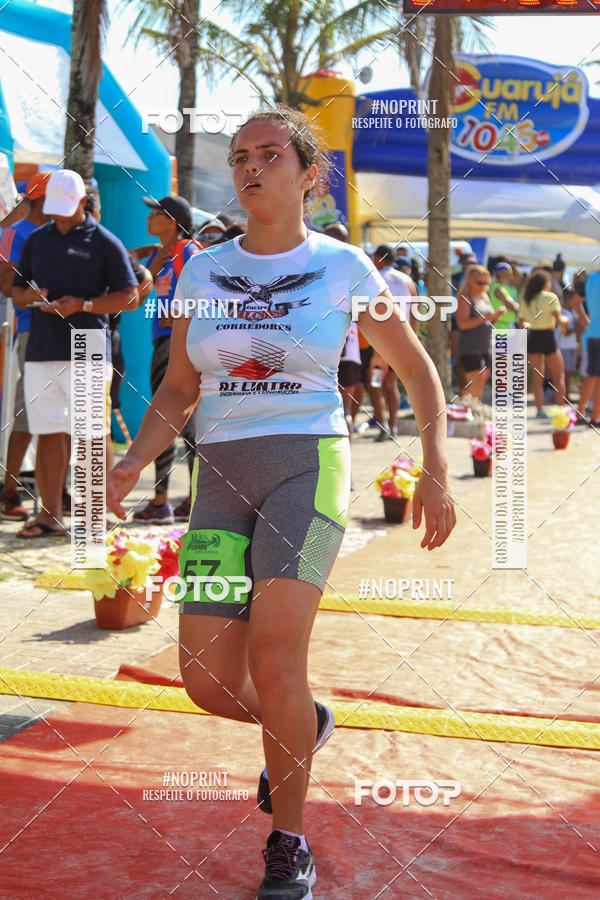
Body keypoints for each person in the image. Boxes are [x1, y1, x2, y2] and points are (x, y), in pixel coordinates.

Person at [107, 106, 456, 900]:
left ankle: (287, 840)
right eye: (239, 157)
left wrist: (434, 464)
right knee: (204, 680)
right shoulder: (198, 269)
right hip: (220, 480)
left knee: (275, 653)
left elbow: (417, 370)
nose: (250, 167)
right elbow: (180, 388)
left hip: (309, 466)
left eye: (269, 154)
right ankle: (306, 725)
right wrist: (132, 461)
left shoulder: (343, 266)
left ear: (308, 173)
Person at [11, 169, 137, 538]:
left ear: (84, 202)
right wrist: (30, 297)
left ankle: (95, 517)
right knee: (48, 431)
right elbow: (16, 292)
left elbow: (129, 297)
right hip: (41, 346)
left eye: (67, 209)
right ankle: (50, 517)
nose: (60, 217)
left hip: (87, 346)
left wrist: (83, 304)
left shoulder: (104, 241)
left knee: (89, 433)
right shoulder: (36, 239)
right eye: (54, 209)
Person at [132, 194, 200, 523]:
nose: (147, 218)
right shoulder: (165, 254)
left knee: (176, 421)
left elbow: (207, 290)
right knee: (173, 420)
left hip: (180, 344)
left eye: (154, 213)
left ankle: (168, 501)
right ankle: (181, 498)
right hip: (163, 342)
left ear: (171, 221)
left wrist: (186, 315)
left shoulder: (188, 250)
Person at [0, 173, 51, 520]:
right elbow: (5, 284)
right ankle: (9, 490)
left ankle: (55, 495)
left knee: (65, 417)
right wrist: (31, 291)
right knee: (26, 412)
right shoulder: (14, 233)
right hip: (33, 331)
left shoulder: (75, 230)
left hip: (75, 330)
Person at [370, 246, 417, 440]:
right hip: (402, 340)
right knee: (392, 384)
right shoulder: (408, 281)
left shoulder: (374, 278)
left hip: (379, 340)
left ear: (378, 258)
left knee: (376, 384)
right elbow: (415, 312)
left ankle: (383, 428)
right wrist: (412, 340)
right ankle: (394, 426)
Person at [518, 269, 569, 417]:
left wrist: (533, 324)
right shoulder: (550, 297)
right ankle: (561, 409)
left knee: (537, 376)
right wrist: (568, 320)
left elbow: (522, 325)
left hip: (533, 336)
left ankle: (539, 410)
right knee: (558, 375)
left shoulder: (526, 298)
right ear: (545, 283)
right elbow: (560, 320)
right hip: (548, 336)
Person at [455, 264, 505, 401]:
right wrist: (484, 318)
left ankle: (473, 410)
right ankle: (466, 409)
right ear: (470, 281)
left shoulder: (484, 298)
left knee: (481, 381)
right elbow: (462, 324)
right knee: (474, 381)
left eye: (486, 283)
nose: (483, 286)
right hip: (469, 348)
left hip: (485, 347)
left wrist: (497, 316)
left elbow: (489, 323)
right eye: (479, 282)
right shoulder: (465, 298)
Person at [576, 271, 600, 426]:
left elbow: (575, 301)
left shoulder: (592, 278)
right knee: (594, 376)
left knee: (592, 375)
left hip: (592, 332)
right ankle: (594, 416)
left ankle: (582, 413)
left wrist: (586, 320)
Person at [489, 262, 519, 329]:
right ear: (499, 273)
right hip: (500, 325)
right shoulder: (498, 288)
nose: (510, 273)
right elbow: (512, 306)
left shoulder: (503, 287)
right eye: (507, 271)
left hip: (505, 324)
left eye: (510, 271)